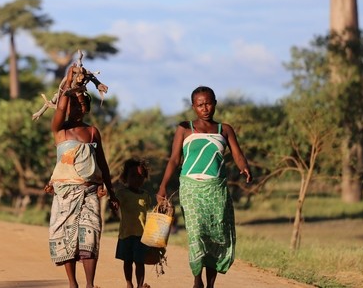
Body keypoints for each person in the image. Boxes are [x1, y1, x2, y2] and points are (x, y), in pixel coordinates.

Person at [156, 86, 252, 288]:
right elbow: (174, 160)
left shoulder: (224, 129)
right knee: (197, 232)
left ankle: (210, 285)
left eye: (208, 103)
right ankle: (197, 279)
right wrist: (163, 186)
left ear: (215, 103)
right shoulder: (184, 128)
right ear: (193, 107)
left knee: (215, 236)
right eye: (200, 105)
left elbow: (237, 154)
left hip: (216, 189)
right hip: (190, 188)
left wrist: (244, 167)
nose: (205, 108)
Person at [45, 64, 119, 288]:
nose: (77, 108)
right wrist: (69, 81)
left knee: (91, 235)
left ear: (87, 107)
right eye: (73, 104)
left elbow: (102, 162)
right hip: (65, 193)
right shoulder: (60, 129)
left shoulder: (92, 132)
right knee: (66, 236)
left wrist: (111, 190)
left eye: (82, 104)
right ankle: (72, 283)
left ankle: (89, 284)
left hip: (89, 191)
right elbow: (59, 109)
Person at [115, 158, 152, 288]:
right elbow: (115, 205)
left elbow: (149, 210)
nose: (137, 179)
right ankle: (129, 283)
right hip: (126, 234)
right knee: (128, 261)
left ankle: (140, 285)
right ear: (125, 177)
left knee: (140, 262)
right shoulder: (122, 193)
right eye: (133, 176)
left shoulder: (145, 195)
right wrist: (113, 205)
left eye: (140, 176)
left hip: (141, 235)